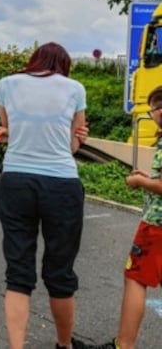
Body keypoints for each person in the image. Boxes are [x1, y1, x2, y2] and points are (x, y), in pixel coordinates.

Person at [0, 42, 89, 349]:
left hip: (16, 180)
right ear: (63, 64)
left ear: (34, 61)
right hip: (61, 183)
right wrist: (77, 137)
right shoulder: (75, 88)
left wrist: (5, 133)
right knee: (60, 270)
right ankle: (64, 344)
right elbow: (73, 147)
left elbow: (6, 130)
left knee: (18, 270)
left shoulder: (6, 84)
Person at [95, 86, 162, 349]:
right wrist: (149, 179)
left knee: (135, 277)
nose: (153, 114)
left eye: (155, 108)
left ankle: (124, 345)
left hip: (156, 224)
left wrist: (140, 182)